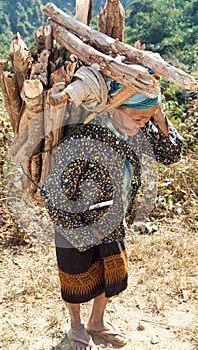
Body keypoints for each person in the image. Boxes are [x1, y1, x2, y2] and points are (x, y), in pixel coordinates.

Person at [41, 78, 183, 349]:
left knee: (111, 271)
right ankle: (76, 326)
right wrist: (84, 229)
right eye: (138, 116)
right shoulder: (86, 138)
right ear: (116, 107)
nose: (143, 123)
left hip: (112, 218)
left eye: (147, 118)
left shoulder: (137, 131)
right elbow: (53, 193)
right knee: (75, 276)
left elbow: (171, 152)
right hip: (76, 223)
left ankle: (97, 320)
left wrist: (158, 113)